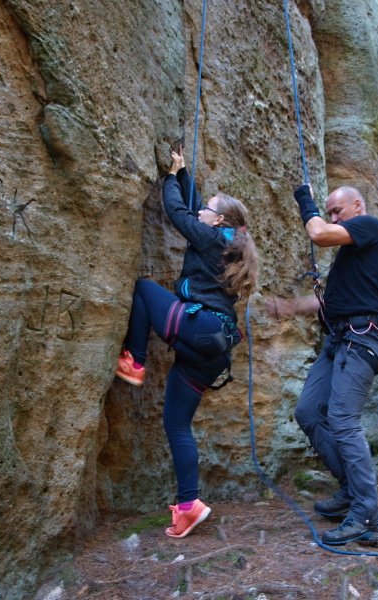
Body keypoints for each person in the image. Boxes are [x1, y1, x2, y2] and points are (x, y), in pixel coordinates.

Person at [115, 146, 259, 539]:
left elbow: (180, 213)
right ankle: (188, 506)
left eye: (207, 210)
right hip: (213, 349)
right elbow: (195, 206)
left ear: (219, 218)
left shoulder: (212, 237)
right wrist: (182, 172)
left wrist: (168, 179)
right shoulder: (226, 237)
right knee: (177, 423)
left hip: (203, 328)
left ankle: (135, 361)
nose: (201, 212)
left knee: (144, 289)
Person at [270, 185, 378, 546]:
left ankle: (367, 516)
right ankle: (351, 491)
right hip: (341, 340)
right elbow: (332, 302)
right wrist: (289, 307)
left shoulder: (370, 226)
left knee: (342, 419)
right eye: (330, 212)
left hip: (363, 340)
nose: (334, 217)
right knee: (308, 412)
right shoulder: (353, 254)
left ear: (358, 205)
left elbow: (319, 233)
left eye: (338, 210)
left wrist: (304, 201)